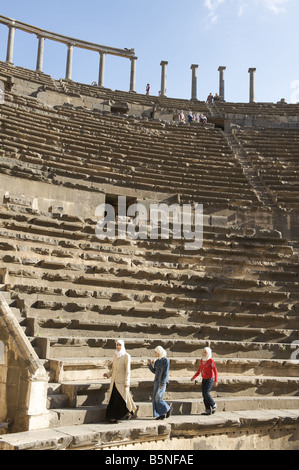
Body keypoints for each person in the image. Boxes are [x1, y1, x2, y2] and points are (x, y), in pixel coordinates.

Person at [104, 339, 137, 422]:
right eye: (117, 345)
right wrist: (108, 374)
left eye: (120, 345)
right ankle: (113, 416)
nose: (118, 347)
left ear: (123, 346)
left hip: (122, 382)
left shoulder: (126, 356)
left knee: (122, 398)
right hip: (114, 381)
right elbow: (113, 368)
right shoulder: (115, 355)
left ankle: (125, 412)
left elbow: (127, 371)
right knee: (114, 399)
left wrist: (127, 383)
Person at [191, 347, 218, 415]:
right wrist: (194, 376)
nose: (204, 353)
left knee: (206, 393)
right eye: (203, 352)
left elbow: (215, 371)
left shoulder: (211, 361)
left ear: (208, 353)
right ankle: (208, 410)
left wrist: (216, 380)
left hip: (210, 380)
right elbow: (200, 369)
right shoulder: (202, 360)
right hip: (204, 379)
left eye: (205, 352)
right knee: (204, 395)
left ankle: (214, 404)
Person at [147, 346, 172, 420]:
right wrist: (149, 365)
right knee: (154, 399)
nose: (155, 354)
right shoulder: (157, 361)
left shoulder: (165, 361)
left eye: (156, 352)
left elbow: (165, 373)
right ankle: (160, 414)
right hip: (156, 381)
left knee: (158, 398)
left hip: (162, 382)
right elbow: (155, 371)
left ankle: (168, 408)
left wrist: (162, 383)